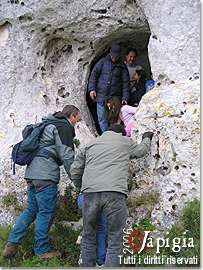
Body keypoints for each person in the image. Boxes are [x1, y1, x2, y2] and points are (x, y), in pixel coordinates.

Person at [2, 105, 81, 259]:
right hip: (45, 175)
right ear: (72, 116)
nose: (76, 124)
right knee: (45, 212)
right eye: (77, 120)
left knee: (31, 210)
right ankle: (42, 250)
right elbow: (67, 156)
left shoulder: (46, 124)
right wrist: (77, 179)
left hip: (32, 174)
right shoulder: (64, 126)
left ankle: (12, 244)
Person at [70, 124, 154, 267]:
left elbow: (75, 170)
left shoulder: (90, 145)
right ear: (121, 134)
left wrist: (81, 187)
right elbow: (141, 151)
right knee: (115, 237)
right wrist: (146, 138)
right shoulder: (124, 141)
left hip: (90, 194)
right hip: (114, 194)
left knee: (89, 236)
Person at [88, 43, 130, 133]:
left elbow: (126, 83)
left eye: (116, 56)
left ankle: (112, 136)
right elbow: (94, 75)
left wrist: (125, 98)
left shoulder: (122, 66)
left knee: (113, 118)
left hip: (114, 97)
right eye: (113, 55)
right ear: (110, 53)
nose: (114, 58)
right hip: (101, 95)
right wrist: (92, 89)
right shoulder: (102, 62)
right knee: (102, 118)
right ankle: (105, 135)